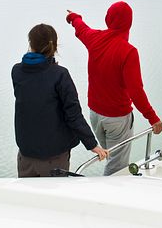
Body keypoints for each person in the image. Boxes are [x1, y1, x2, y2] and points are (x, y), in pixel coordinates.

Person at [66, 1, 162, 176]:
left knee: (110, 157)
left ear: (107, 19)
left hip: (95, 115)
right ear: (130, 23)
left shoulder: (94, 38)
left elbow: (82, 29)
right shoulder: (128, 52)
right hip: (117, 119)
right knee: (116, 168)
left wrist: (74, 18)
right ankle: (108, 197)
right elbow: (136, 91)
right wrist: (152, 118)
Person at [12, 23, 108, 177]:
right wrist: (92, 145)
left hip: (26, 155)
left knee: (28, 199)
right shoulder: (60, 75)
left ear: (31, 44)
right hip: (54, 157)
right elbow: (74, 115)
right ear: (54, 46)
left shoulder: (17, 71)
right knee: (53, 199)